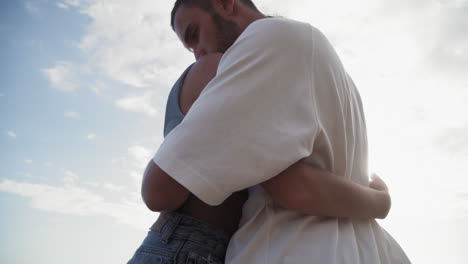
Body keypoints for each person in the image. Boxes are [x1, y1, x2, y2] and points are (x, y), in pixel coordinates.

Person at [140, 0, 411, 263]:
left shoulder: (268, 40)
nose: (198, 53)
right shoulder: (334, 71)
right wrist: (378, 202)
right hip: (353, 247)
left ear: (225, 3)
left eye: (195, 34)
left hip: (278, 246)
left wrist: (380, 203)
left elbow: (157, 190)